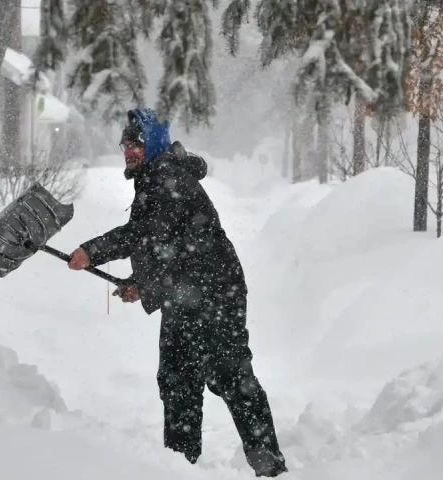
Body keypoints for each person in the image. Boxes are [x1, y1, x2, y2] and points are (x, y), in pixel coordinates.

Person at [67, 108, 288, 477]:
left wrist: (92, 251)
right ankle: (178, 469)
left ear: (153, 144)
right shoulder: (153, 177)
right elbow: (166, 245)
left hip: (215, 293)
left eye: (136, 144)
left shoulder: (169, 178)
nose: (129, 152)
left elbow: (143, 234)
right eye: (125, 145)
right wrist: (142, 284)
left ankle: (270, 468)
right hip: (183, 293)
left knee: (231, 376)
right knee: (177, 380)